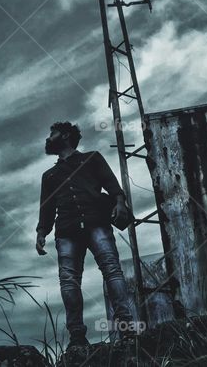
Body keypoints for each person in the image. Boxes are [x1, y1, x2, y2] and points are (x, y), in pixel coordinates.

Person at [35, 121, 136, 348]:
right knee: (69, 281)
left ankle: (127, 328)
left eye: (53, 133)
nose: (49, 138)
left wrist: (119, 203)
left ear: (67, 135)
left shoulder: (92, 158)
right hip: (66, 229)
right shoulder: (49, 176)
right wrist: (42, 232)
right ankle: (77, 338)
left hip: (96, 222)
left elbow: (113, 185)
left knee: (112, 270)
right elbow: (47, 208)